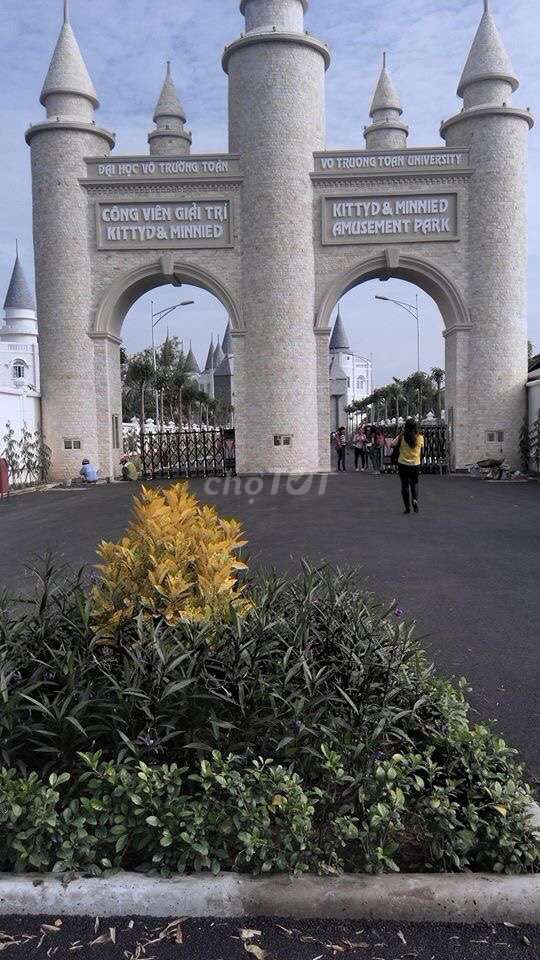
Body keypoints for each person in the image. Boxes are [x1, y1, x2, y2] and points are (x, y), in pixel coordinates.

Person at [392, 418, 424, 514]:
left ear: (405, 426)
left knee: (405, 485)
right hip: (415, 464)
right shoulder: (420, 437)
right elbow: (422, 451)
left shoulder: (401, 436)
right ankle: (415, 500)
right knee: (414, 484)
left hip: (403, 464)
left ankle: (407, 507)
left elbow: (391, 445)